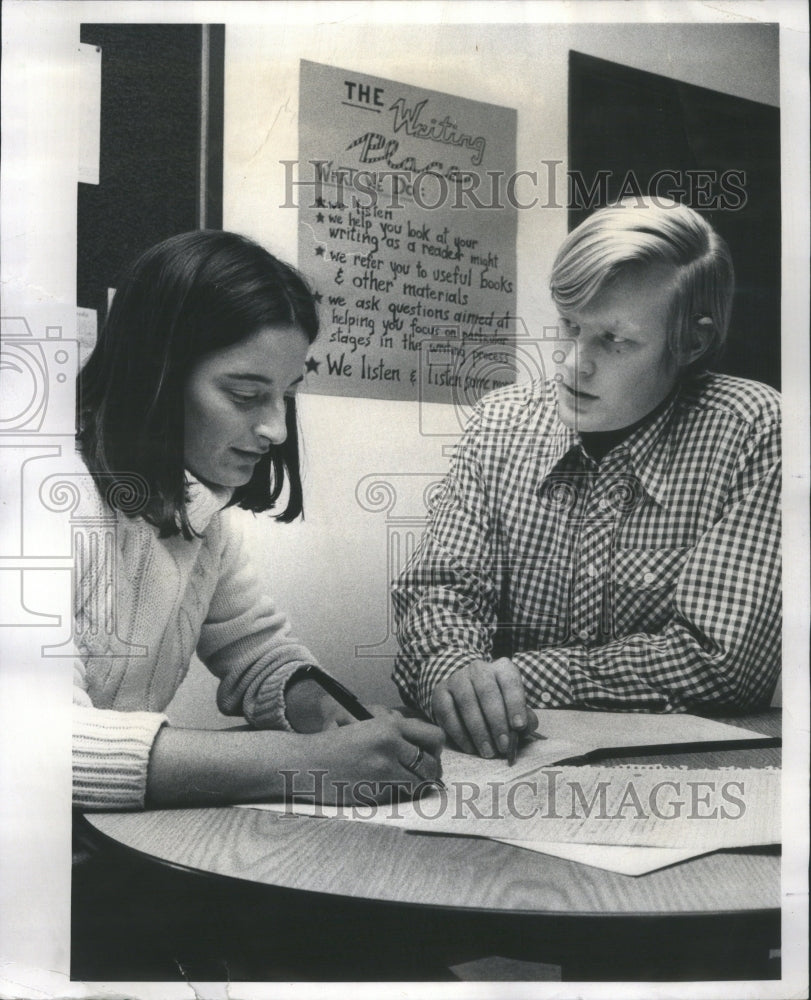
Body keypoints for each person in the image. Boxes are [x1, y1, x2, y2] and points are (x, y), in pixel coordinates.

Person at [392, 199, 781, 760]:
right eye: (569, 326)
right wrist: (453, 669)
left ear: (691, 343)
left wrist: (504, 681)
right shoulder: (499, 421)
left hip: (680, 775)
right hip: (503, 767)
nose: (574, 364)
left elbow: (719, 664)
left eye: (615, 340)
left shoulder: (754, 432)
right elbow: (440, 592)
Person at [72, 229, 443, 811]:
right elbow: (25, 743)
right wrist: (305, 765)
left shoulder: (200, 513)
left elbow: (257, 650)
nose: (276, 430)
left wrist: (322, 709)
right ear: (156, 375)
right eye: (245, 396)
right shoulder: (39, 495)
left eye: (286, 395)